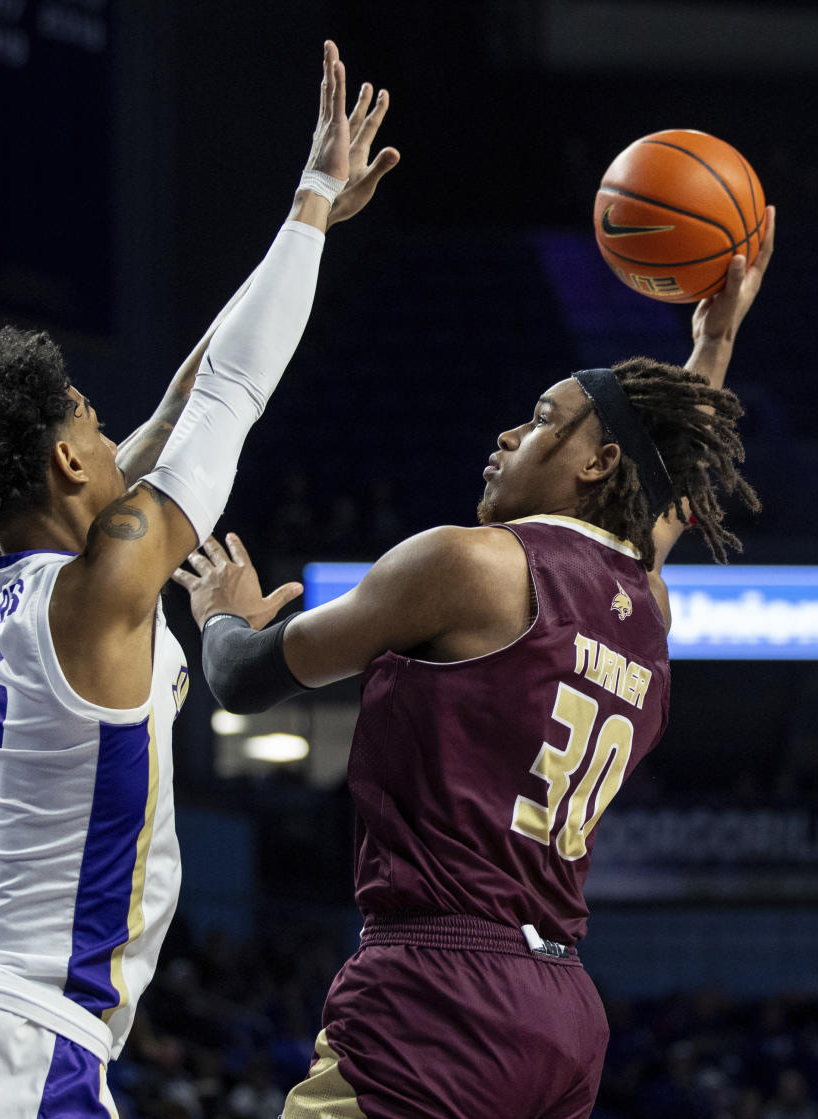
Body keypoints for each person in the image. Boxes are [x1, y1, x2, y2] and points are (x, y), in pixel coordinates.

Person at [0, 40, 399, 1118]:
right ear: (65, 463)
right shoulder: (102, 586)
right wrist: (307, 194)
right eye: (92, 426)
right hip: (15, 1052)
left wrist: (306, 232)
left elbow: (186, 391)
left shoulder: (21, 572)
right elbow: (234, 392)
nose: (115, 436)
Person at [174, 210, 775, 1119]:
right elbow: (664, 504)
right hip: (563, 1013)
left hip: (435, 987)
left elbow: (244, 678)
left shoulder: (469, 563)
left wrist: (220, 614)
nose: (506, 434)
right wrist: (716, 339)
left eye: (540, 421)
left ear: (599, 460)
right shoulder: (645, 605)